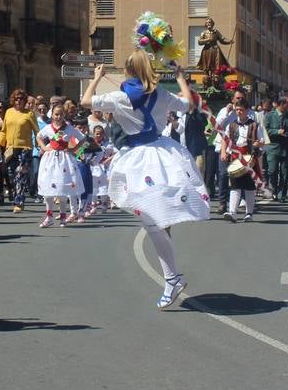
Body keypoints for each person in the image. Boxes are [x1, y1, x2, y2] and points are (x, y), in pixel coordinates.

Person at [81, 48, 210, 309]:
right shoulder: (162, 94)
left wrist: (97, 76)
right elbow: (189, 104)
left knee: (153, 220)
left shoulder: (119, 97)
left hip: (139, 160)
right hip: (164, 154)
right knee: (159, 218)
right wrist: (181, 77)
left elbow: (86, 102)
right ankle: (171, 276)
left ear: (129, 72)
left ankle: (173, 277)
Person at [35, 102, 86, 227]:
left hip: (65, 160)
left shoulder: (69, 128)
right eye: (56, 114)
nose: (58, 117)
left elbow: (83, 138)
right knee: (48, 188)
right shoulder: (48, 128)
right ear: (52, 115)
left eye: (61, 114)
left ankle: (63, 216)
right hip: (50, 159)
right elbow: (39, 136)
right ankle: (49, 216)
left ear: (64, 115)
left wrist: (74, 150)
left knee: (62, 188)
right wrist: (43, 147)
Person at [221, 94, 265, 222]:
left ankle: (249, 213)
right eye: (237, 110)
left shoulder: (255, 125)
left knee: (249, 186)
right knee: (235, 185)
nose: (239, 112)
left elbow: (262, 141)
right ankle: (232, 212)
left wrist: (258, 143)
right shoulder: (231, 125)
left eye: (241, 110)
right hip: (235, 157)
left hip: (250, 157)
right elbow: (225, 140)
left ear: (247, 110)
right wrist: (224, 152)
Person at [0, 89, 38, 212]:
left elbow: (37, 132)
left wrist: (40, 146)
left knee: (20, 175)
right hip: (10, 148)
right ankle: (16, 195)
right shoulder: (9, 112)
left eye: (21, 98)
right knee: (10, 174)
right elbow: (3, 131)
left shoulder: (29, 114)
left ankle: (19, 202)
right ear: (13, 100)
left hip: (25, 149)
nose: (18, 100)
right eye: (16, 98)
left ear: (25, 101)